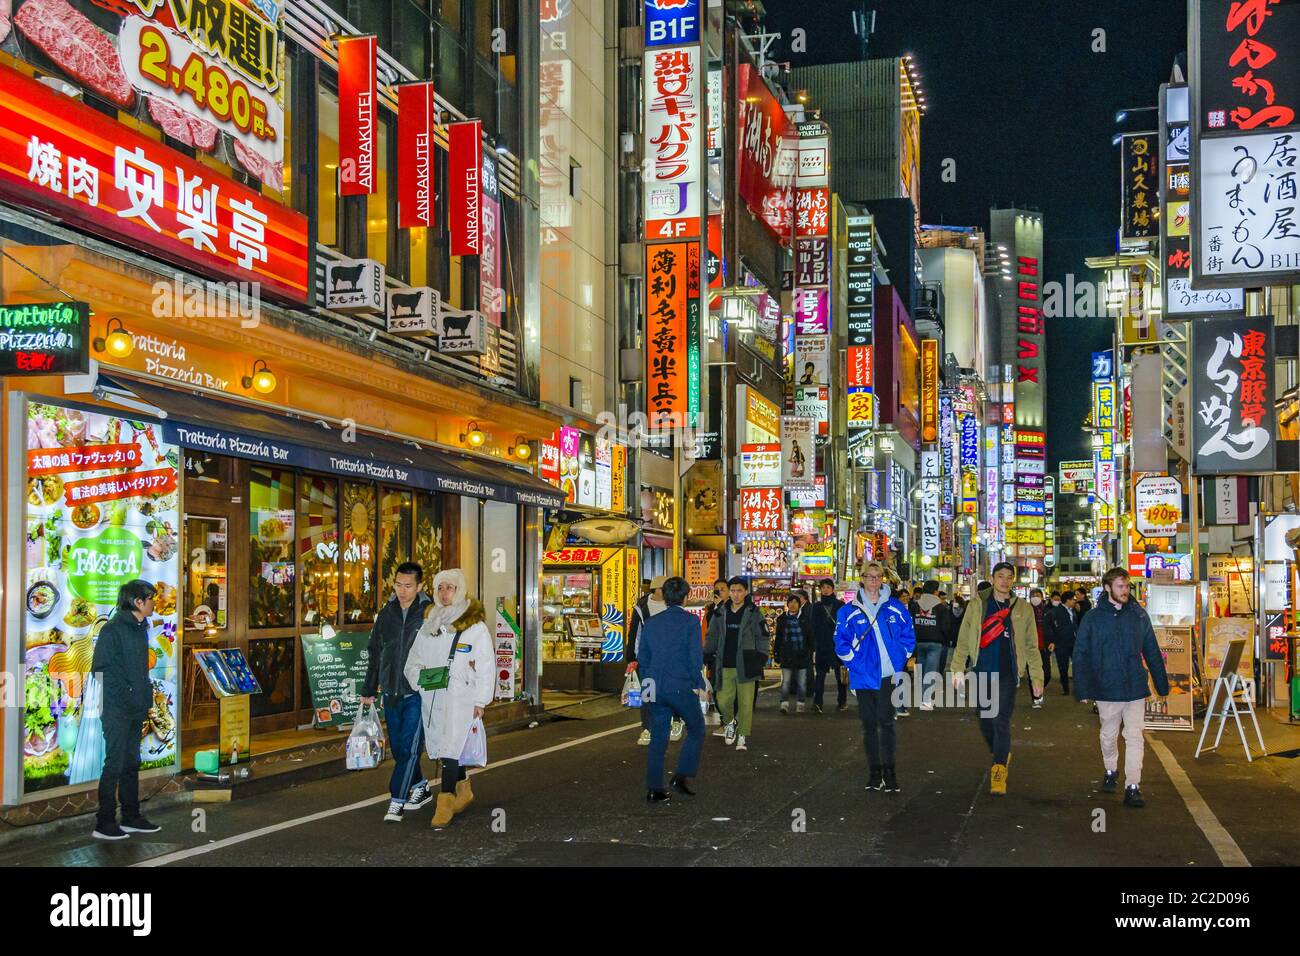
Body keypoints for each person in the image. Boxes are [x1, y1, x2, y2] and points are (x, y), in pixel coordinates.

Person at [403, 569, 495, 828]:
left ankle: (444, 801)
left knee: (450, 747)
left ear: (460, 590)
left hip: (461, 698)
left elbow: (486, 666)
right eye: (440, 588)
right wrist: (420, 680)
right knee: (444, 747)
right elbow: (413, 661)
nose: (444, 594)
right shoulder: (429, 624)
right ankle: (464, 790)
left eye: (450, 588)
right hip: (432, 697)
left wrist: (480, 700)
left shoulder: (473, 627)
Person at [1073, 568, 1170, 808]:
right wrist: (1083, 689)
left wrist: (1162, 684)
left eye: (1126, 586)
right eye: (1119, 586)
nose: (1125, 590)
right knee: (1108, 734)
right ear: (1107, 588)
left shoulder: (1138, 615)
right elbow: (1081, 653)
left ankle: (1133, 786)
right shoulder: (1093, 619)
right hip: (1107, 687)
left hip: (1136, 685)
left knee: (1135, 735)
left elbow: (1152, 650)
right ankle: (1110, 769)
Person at [947, 562, 1043, 796]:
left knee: (1001, 720)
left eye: (1009, 577)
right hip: (981, 669)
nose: (1005, 581)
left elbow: (1031, 646)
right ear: (992, 578)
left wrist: (1036, 677)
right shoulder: (978, 604)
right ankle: (1001, 751)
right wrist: (957, 666)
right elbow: (964, 637)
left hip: (1008, 673)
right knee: (984, 717)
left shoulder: (1023, 608)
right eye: (1001, 576)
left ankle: (999, 768)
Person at [361, 561, 435, 822]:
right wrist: (369, 687)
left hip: (417, 690)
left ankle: (397, 800)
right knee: (400, 749)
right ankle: (420, 787)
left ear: (419, 586)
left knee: (412, 746)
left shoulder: (429, 613)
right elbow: (374, 650)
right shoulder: (387, 613)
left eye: (408, 586)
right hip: (390, 690)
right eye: (398, 585)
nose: (402, 591)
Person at [835, 561, 915, 792]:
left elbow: (908, 635)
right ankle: (874, 772)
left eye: (878, 576)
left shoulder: (895, 607)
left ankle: (890, 772)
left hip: (889, 674)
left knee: (886, 722)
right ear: (862, 578)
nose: (874, 580)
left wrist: (900, 658)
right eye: (869, 576)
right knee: (869, 725)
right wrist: (855, 663)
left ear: (883, 579)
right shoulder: (847, 611)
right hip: (863, 676)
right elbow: (840, 642)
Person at [92, 580, 163, 840]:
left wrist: (142, 697)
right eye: (151, 598)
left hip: (136, 707)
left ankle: (131, 816)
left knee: (132, 762)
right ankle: (104, 822)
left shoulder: (140, 628)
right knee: (115, 764)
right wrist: (128, 694)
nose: (155, 602)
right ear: (138, 602)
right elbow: (101, 670)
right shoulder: (113, 630)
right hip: (117, 709)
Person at [641, 577, 708, 801]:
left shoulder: (651, 623)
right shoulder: (690, 622)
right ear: (686, 597)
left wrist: (647, 684)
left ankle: (654, 788)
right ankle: (682, 776)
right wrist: (698, 683)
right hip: (679, 685)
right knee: (697, 728)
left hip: (654, 685)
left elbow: (643, 657)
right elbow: (694, 657)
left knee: (658, 737)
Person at [704, 576, 768, 752]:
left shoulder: (754, 612)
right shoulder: (720, 612)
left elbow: (762, 636)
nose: (736, 594)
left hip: (747, 663)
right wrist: (706, 653)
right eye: (732, 591)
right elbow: (712, 635)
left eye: (739, 590)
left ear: (746, 592)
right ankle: (730, 722)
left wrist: (762, 656)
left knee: (746, 703)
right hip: (724, 662)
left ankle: (742, 736)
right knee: (723, 700)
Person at [626, 576, 682, 746]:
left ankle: (676, 721)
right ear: (657, 589)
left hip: (671, 658)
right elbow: (634, 634)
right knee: (648, 694)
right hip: (649, 659)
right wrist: (632, 658)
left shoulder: (673, 606)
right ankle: (647, 729)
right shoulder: (641, 608)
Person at [910, 580, 955, 711]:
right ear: (935, 591)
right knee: (930, 671)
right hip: (935, 643)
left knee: (920, 670)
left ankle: (920, 698)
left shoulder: (915, 606)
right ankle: (926, 701)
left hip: (919, 642)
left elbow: (910, 623)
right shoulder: (940, 607)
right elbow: (946, 627)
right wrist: (947, 640)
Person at [774, 596, 812, 713]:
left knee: (801, 683)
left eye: (796, 602)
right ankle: (784, 704)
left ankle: (800, 703)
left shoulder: (805, 618)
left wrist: (809, 652)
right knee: (786, 682)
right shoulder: (782, 619)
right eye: (791, 602)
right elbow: (779, 637)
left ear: (799, 604)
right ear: (787, 604)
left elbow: (810, 637)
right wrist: (776, 653)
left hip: (802, 655)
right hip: (787, 654)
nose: (793, 605)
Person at [814, 578, 848, 712]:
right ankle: (818, 703)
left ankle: (842, 701)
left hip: (838, 646)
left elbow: (845, 625)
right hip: (822, 646)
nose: (825, 590)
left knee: (841, 676)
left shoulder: (840, 605)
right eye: (823, 588)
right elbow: (814, 626)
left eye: (828, 587)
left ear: (833, 589)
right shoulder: (816, 606)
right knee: (820, 676)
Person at [1047, 590, 1079, 695]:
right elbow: (1051, 627)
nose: (1075, 601)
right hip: (1061, 644)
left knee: (1078, 665)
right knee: (1063, 667)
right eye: (1073, 599)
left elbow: (1075, 626)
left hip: (1073, 643)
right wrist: (1052, 641)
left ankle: (1078, 687)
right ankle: (1066, 689)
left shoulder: (1073, 611)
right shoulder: (1056, 612)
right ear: (1068, 600)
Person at [1029, 587, 1049, 710]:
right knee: (1033, 673)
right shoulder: (1026, 610)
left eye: (1038, 595)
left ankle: (1040, 688)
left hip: (1044, 645)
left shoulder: (1047, 610)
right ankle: (1036, 697)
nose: (1036, 597)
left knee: (1047, 673)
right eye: (1033, 595)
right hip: (1031, 646)